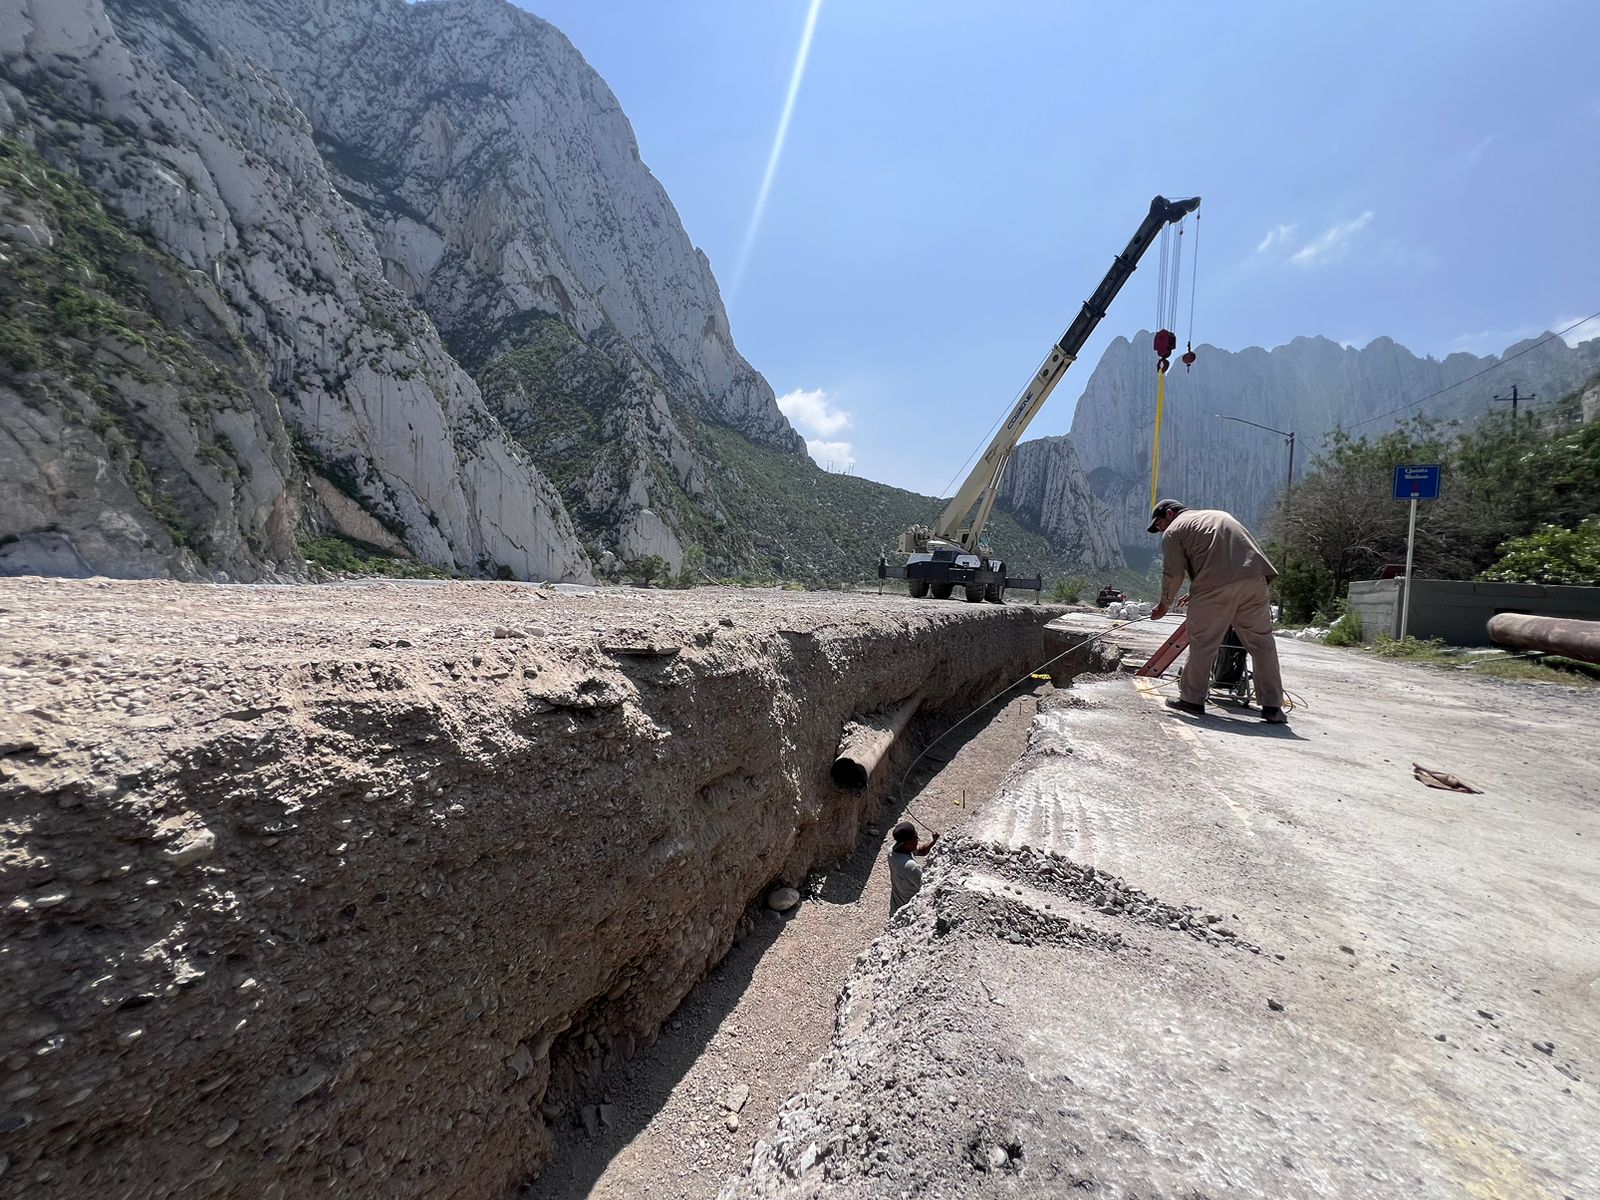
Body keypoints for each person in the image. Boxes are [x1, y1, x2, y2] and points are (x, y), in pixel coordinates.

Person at [1146, 498, 1288, 724]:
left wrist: (1164, 604)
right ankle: (1273, 707)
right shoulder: (1218, 515)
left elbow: (1173, 574)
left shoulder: (1174, 530)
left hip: (1215, 586)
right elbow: (1227, 556)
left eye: (1160, 523)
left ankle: (1192, 699)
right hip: (1255, 580)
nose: (1160, 529)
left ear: (1170, 514)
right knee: (1262, 644)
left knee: (1204, 641)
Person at [888, 821, 939, 911]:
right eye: (915, 838)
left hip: (895, 906)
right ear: (907, 843)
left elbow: (922, 851)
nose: (918, 840)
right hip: (906, 911)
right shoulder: (910, 867)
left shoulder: (893, 850)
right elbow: (928, 888)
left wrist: (934, 841)